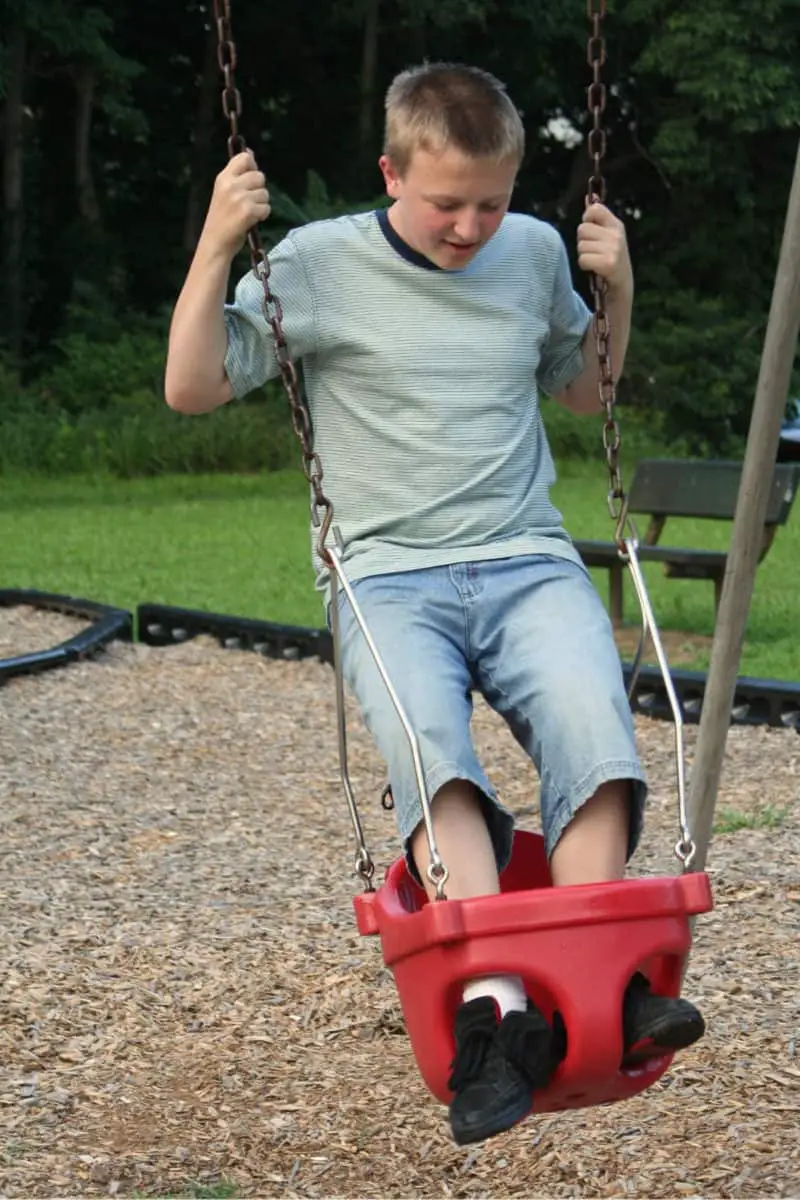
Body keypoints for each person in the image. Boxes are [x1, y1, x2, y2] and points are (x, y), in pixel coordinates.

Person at [165, 62, 705, 1146]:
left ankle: (594, 984)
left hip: (522, 556)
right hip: (385, 575)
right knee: (434, 757)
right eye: (444, 201)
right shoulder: (316, 266)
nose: (469, 227)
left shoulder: (535, 252)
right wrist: (217, 243)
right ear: (388, 171)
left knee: (594, 732)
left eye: (491, 203)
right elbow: (192, 386)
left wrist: (620, 288)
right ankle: (498, 1013)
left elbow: (583, 386)